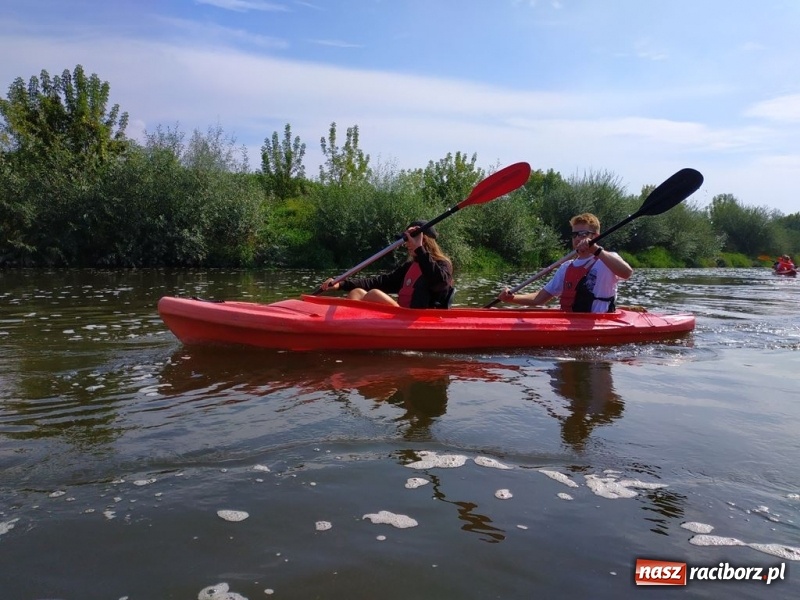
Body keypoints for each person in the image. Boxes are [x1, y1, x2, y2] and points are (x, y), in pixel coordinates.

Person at [498, 213, 633, 313]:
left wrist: (596, 250)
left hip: (599, 323)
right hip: (571, 322)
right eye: (574, 235)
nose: (577, 238)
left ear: (595, 236)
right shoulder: (566, 267)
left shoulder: (606, 259)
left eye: (583, 234)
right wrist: (513, 298)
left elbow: (627, 273)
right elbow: (540, 298)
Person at [320, 221, 454, 308]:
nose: (406, 244)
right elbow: (380, 281)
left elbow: (439, 283)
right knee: (357, 293)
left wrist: (419, 249)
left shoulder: (443, 265)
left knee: (374, 294)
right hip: (401, 317)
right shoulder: (409, 267)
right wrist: (342, 284)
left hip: (418, 319)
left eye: (410, 240)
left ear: (424, 241)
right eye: (406, 240)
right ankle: (345, 326)